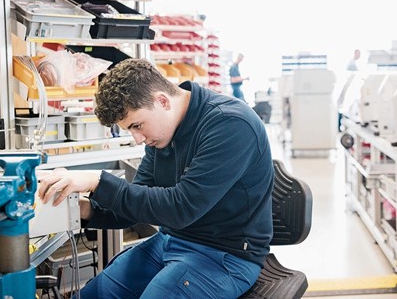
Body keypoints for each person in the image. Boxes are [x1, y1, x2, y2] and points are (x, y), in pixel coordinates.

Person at [38, 58, 275, 298]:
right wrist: (80, 208)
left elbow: (181, 208)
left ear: (162, 100)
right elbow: (133, 207)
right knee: (95, 294)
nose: (138, 139)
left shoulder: (230, 124)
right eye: (130, 130)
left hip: (225, 257)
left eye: (137, 125)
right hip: (170, 242)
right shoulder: (162, 134)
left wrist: (98, 181)